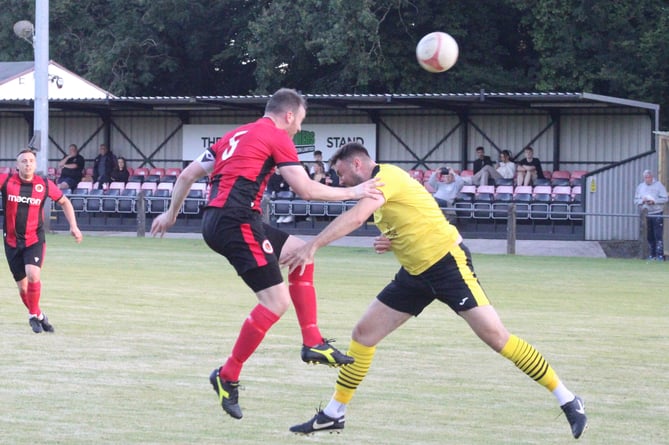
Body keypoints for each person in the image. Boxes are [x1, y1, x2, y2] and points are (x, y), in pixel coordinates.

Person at [283, 142, 588, 440]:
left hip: (447, 266)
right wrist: (392, 239)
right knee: (363, 334)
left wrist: (312, 246)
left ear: (357, 164)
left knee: (498, 338)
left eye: (341, 173)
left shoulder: (385, 177)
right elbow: (415, 212)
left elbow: (356, 217)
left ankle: (568, 399)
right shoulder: (380, 188)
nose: (340, 181)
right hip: (415, 275)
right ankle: (335, 412)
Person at [149, 88, 382, 420]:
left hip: (225, 220)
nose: (299, 128)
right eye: (300, 120)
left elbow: (186, 175)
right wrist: (353, 191)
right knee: (276, 302)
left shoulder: (234, 135)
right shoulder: (275, 136)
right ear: (288, 115)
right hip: (236, 221)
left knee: (302, 252)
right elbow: (306, 189)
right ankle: (227, 376)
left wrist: (171, 214)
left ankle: (312, 341)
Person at [1, 149, 83, 333]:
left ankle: (32, 316)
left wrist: (74, 226)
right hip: (12, 242)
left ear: (35, 164)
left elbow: (65, 202)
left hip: (34, 239)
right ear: (17, 165)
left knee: (33, 275)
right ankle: (38, 315)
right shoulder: (6, 181)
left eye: (31, 160)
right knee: (23, 288)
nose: (27, 164)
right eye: (23, 161)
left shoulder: (43, 184)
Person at [634, 169, 668, 261]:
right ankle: (651, 255)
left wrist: (654, 201)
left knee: (658, 235)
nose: (647, 179)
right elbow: (636, 200)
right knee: (649, 236)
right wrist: (643, 201)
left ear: (652, 177)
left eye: (648, 177)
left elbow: (665, 198)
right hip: (646, 214)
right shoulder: (640, 187)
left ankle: (660, 255)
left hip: (657, 213)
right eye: (645, 177)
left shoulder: (659, 186)